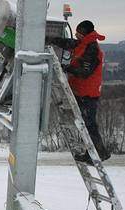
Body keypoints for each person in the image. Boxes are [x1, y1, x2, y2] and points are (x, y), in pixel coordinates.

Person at [47, 20, 111, 165]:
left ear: (84, 33)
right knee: (86, 123)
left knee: (89, 124)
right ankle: (93, 153)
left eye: (78, 33)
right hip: (81, 90)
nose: (76, 35)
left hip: (88, 93)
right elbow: (69, 43)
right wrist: (51, 40)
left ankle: (99, 152)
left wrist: (66, 68)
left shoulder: (92, 49)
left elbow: (84, 72)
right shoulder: (84, 44)